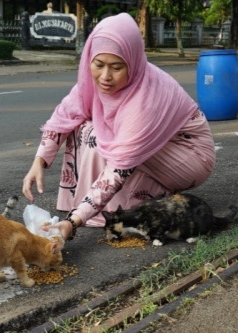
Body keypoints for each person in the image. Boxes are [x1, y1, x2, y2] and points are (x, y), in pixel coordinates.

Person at [22, 13, 216, 241]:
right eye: (98, 64)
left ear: (132, 63)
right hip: (157, 150)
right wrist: (39, 161)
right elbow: (65, 114)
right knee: (83, 126)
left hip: (190, 156)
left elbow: (118, 168)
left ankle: (128, 204)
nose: (105, 76)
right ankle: (95, 201)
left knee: (99, 136)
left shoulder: (145, 98)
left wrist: (73, 223)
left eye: (116, 67)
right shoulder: (93, 82)